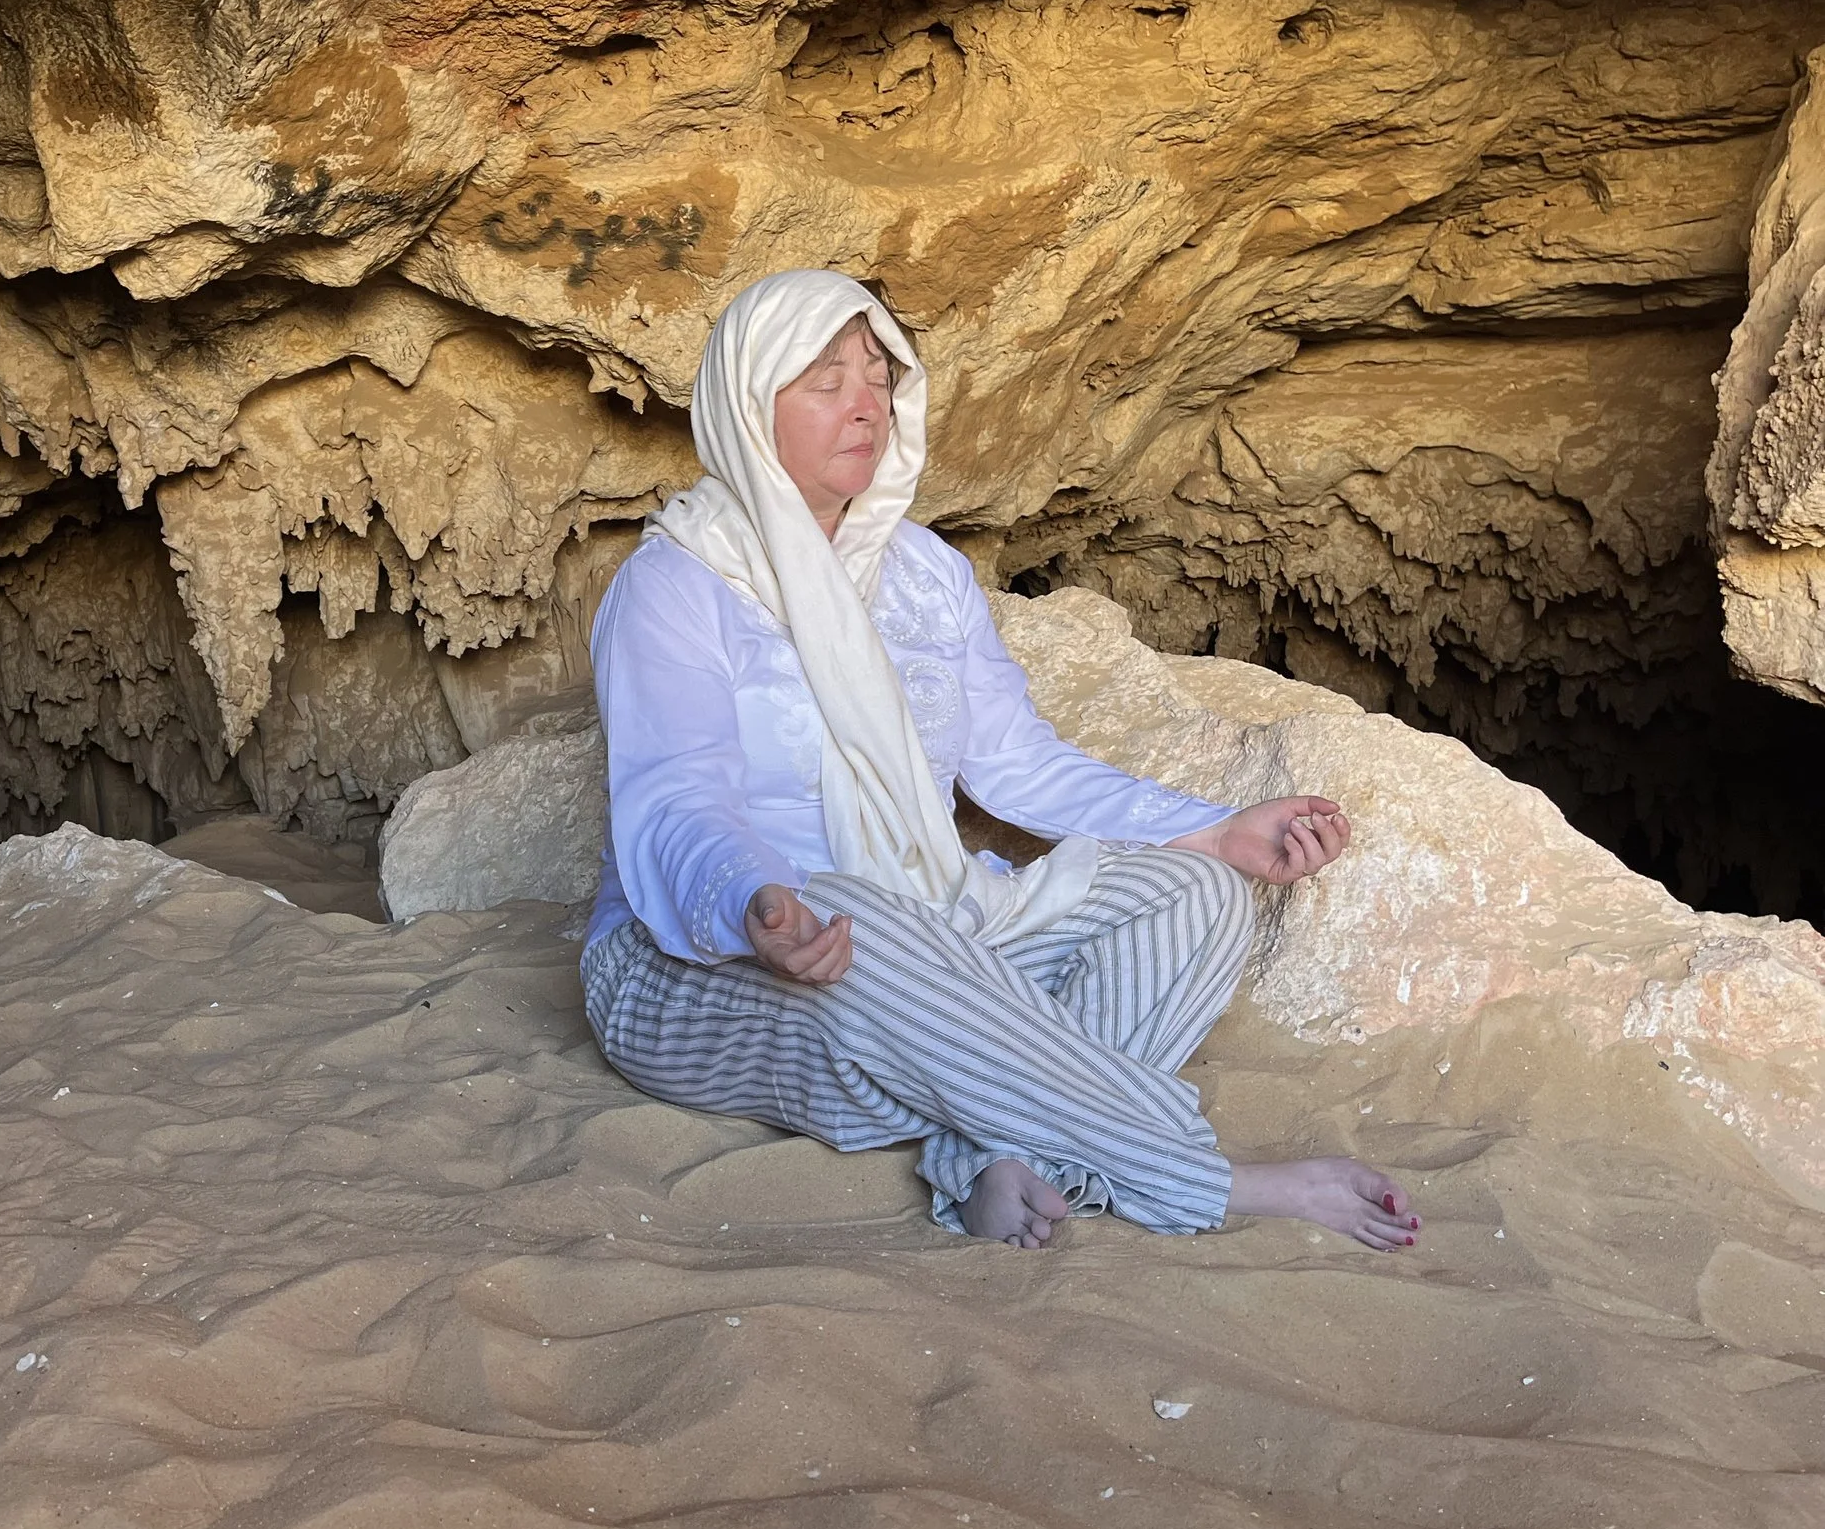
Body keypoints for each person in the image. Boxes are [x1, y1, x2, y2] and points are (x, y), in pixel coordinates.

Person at [581, 269, 1420, 1250]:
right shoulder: (674, 587)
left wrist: (1209, 832)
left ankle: (989, 1164)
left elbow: (1017, 762)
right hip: (704, 966)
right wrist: (756, 903)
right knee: (876, 933)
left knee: (1197, 896)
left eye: (878, 374)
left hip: (921, 937)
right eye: (825, 380)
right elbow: (678, 797)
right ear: (743, 405)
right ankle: (1205, 1177)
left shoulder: (925, 576)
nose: (866, 403)